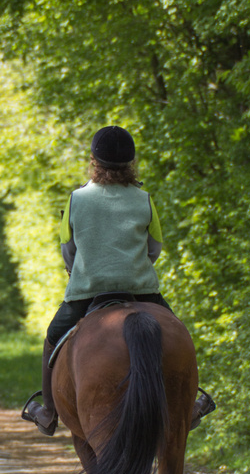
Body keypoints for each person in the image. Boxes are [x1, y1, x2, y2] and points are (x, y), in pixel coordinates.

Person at [24, 125, 215, 436]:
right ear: (131, 163)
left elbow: (68, 251)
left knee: (52, 338)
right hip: (140, 290)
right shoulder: (144, 199)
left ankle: (48, 412)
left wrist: (84, 271)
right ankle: (189, 404)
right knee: (178, 334)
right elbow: (155, 248)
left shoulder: (76, 199)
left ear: (93, 161)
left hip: (88, 291)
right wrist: (133, 266)